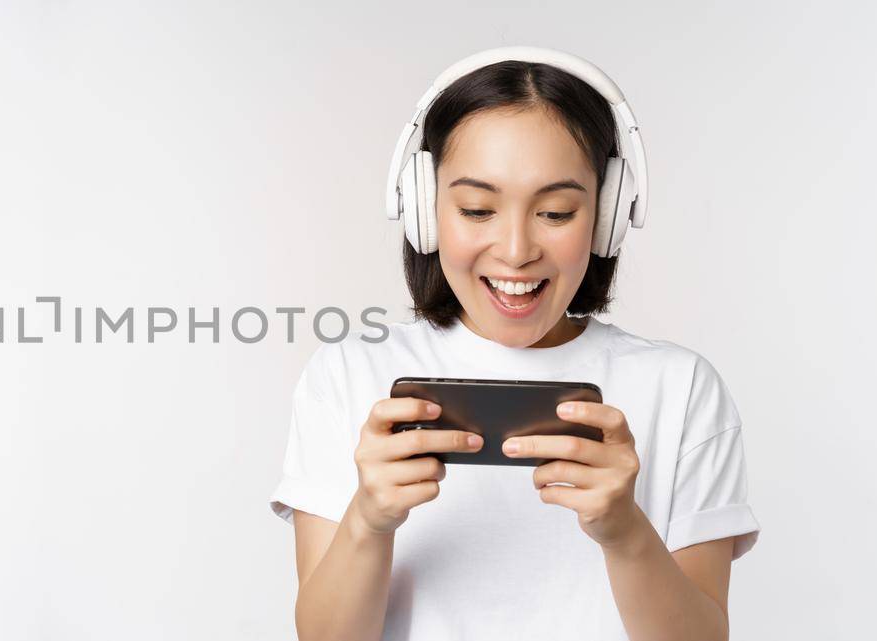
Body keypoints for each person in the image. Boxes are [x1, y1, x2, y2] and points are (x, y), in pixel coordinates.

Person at [268, 49, 760, 641]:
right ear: (425, 211)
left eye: (556, 211)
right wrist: (368, 522)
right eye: (477, 209)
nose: (516, 248)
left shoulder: (680, 389)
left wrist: (626, 533)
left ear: (606, 218)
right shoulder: (347, 375)